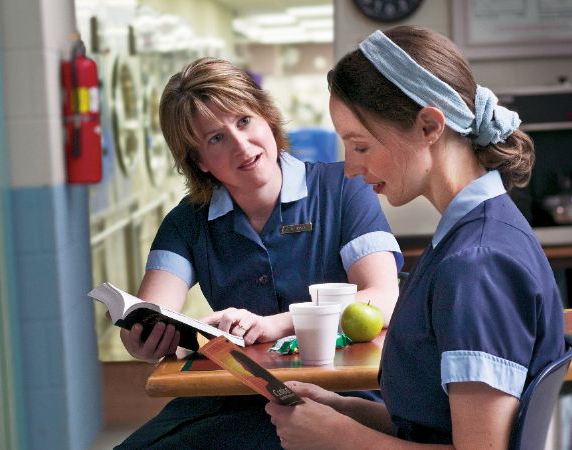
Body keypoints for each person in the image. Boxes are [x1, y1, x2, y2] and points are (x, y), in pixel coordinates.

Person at [265, 26, 567, 449]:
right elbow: (438, 422)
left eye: (361, 146)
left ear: (429, 126)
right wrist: (344, 410)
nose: (349, 168)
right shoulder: (475, 235)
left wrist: (339, 438)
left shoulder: (477, 264)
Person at [116, 57, 403, 449]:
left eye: (244, 121)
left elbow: (383, 297)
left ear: (267, 118)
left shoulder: (343, 190)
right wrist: (143, 342)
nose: (241, 145)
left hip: (342, 391)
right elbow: (153, 310)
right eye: (215, 138)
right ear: (198, 161)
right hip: (234, 395)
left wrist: (276, 324)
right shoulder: (188, 221)